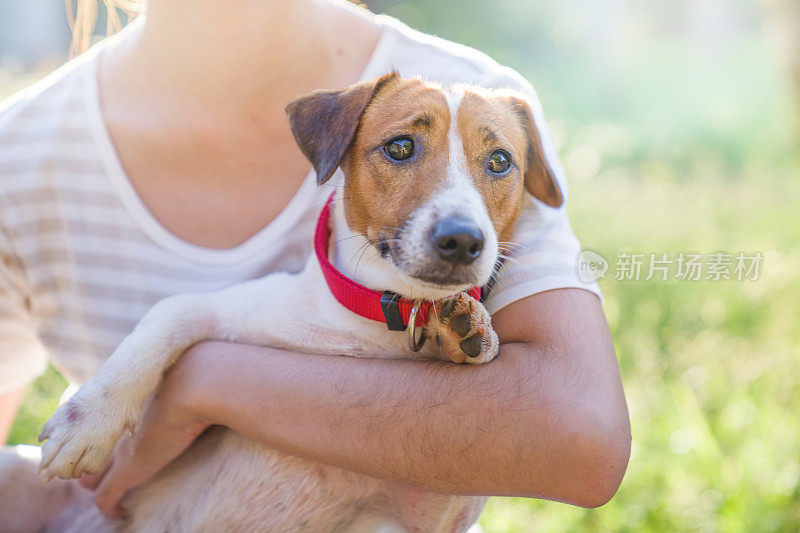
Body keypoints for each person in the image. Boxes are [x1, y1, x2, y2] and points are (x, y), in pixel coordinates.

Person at [0, 0, 630, 524]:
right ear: (336, 155)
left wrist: (209, 384)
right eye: (403, 149)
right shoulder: (20, 149)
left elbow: (584, 440)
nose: (462, 226)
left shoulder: (488, 99)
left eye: (497, 167)